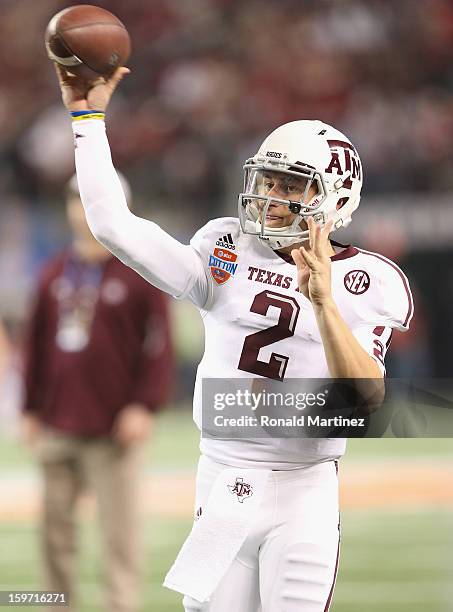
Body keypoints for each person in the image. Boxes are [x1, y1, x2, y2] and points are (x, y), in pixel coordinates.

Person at [53, 65, 413, 612]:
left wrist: (323, 303)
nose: (271, 196)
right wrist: (87, 120)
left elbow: (367, 398)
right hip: (222, 483)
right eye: (268, 180)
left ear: (335, 198)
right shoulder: (225, 250)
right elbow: (112, 225)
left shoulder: (368, 281)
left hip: (304, 488)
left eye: (291, 185)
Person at [21, 170, 174, 612]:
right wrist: (29, 408)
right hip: (57, 423)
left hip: (113, 429)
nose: (83, 210)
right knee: (53, 536)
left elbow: (159, 345)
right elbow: (34, 346)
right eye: (76, 200)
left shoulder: (139, 272)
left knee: (119, 538)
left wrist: (145, 405)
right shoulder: (53, 272)